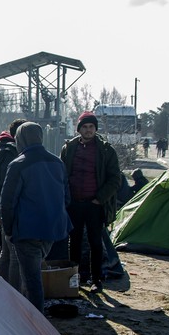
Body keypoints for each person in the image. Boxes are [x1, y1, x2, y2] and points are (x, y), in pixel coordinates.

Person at [0, 122, 71, 312]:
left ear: (20, 139)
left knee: (32, 281)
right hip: (53, 230)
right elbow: (67, 198)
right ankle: (28, 314)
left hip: (27, 230)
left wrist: (8, 230)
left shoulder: (18, 164)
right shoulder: (57, 162)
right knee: (32, 274)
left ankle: (36, 324)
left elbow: (7, 202)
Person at [60, 111, 121, 292]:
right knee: (75, 242)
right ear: (79, 129)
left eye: (91, 127)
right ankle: (75, 279)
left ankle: (96, 280)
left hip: (95, 204)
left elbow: (115, 179)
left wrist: (99, 198)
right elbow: (62, 175)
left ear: (95, 129)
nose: (88, 130)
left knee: (96, 242)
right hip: (75, 203)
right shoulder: (69, 148)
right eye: (85, 127)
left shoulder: (106, 150)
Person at [0, 119, 26, 290]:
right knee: (13, 254)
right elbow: (1, 185)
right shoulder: (11, 154)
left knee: (6, 251)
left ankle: (3, 288)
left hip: (5, 209)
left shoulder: (6, 152)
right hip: (10, 210)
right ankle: (12, 291)